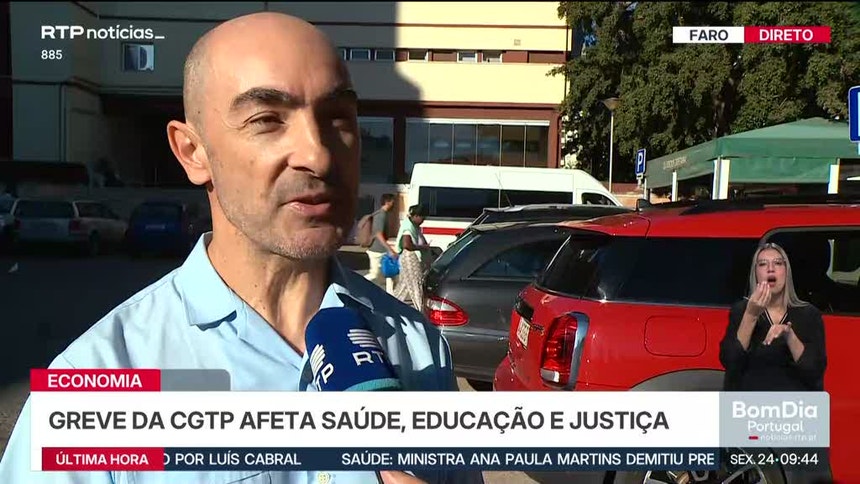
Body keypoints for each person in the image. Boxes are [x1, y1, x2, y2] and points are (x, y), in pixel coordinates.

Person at [0, 12, 481, 484]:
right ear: (193, 152)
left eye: (337, 116)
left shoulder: (416, 345)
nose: (318, 155)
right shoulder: (97, 385)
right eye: (267, 120)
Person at [719, 242, 831, 481]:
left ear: (786, 272)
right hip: (752, 417)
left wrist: (789, 336)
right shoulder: (741, 311)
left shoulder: (808, 314)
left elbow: (814, 370)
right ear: (756, 274)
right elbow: (730, 360)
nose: (770, 269)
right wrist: (751, 316)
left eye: (777, 263)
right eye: (763, 264)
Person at [393, 204, 431, 310]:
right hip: (410, 257)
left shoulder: (413, 226)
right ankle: (420, 310)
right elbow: (407, 245)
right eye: (422, 218)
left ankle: (391, 305)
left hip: (409, 257)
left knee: (404, 285)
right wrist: (422, 247)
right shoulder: (408, 227)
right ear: (416, 216)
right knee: (416, 284)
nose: (423, 221)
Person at [365, 193, 398, 291]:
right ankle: (356, 285)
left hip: (381, 250)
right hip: (377, 250)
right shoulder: (381, 215)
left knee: (390, 274)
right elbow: (379, 234)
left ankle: (391, 295)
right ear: (387, 202)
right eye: (393, 202)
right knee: (374, 274)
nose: (394, 205)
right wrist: (390, 250)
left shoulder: (384, 214)